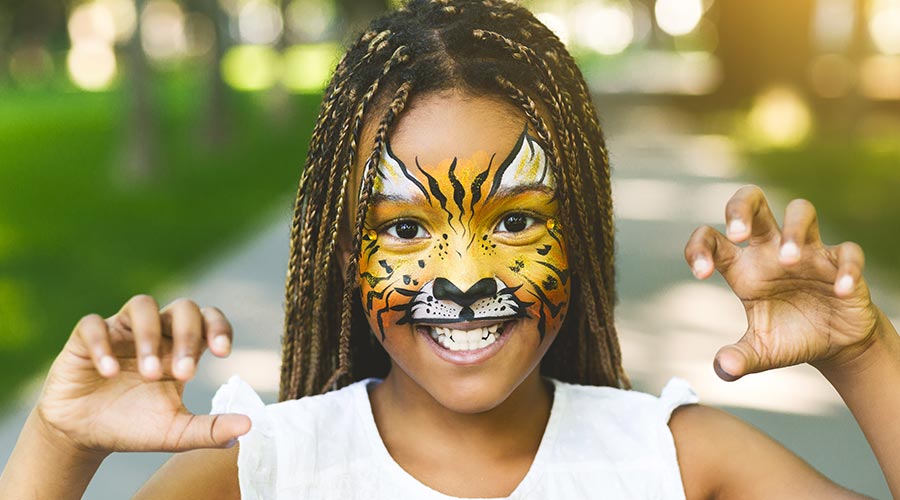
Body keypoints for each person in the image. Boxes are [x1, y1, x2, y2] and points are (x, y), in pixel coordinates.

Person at [1, 1, 897, 498]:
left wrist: (865, 355)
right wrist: (58, 443)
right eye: (402, 229)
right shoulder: (269, 470)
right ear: (340, 254)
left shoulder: (672, 459)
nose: (464, 280)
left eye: (513, 222)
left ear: (577, 229)